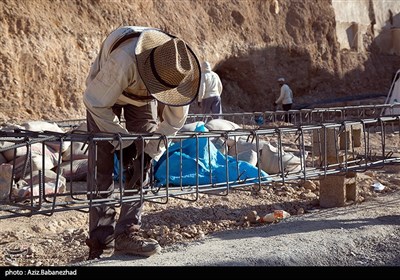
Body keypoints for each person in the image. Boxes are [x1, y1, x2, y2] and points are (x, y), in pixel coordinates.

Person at [83, 26, 201, 260]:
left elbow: (173, 123)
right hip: (105, 95)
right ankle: (100, 240)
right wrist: (124, 145)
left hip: (143, 98)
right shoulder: (124, 60)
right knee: (102, 166)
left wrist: (148, 153)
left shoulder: (177, 71)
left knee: (140, 168)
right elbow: (95, 101)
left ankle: (127, 234)